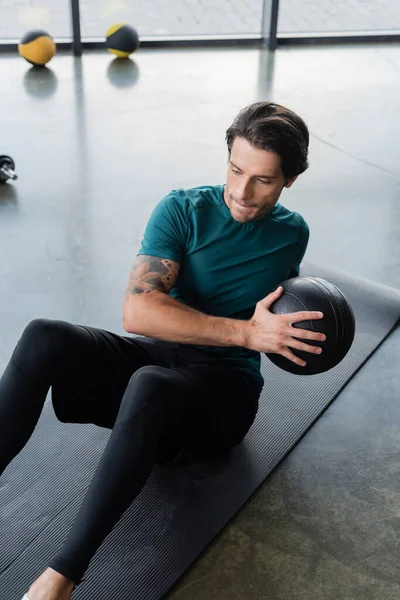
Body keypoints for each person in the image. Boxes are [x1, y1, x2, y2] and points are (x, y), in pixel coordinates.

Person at [0, 101, 326, 600]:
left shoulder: (292, 232)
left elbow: (280, 308)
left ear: (290, 180)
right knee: (45, 333)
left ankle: (59, 578)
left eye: (262, 180)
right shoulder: (182, 209)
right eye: (236, 170)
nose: (241, 192)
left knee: (148, 384)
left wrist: (282, 335)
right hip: (156, 360)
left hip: (222, 397)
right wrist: (246, 333)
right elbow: (139, 314)